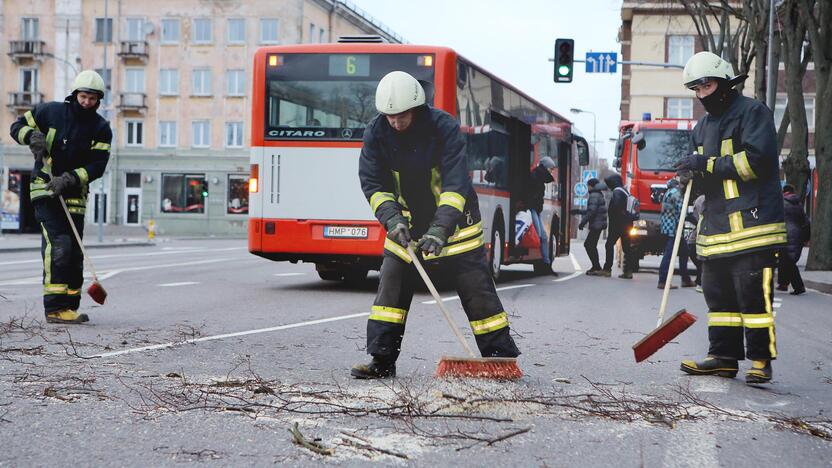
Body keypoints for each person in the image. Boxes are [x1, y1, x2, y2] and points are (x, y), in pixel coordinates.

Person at [352, 71, 520, 379]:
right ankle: (382, 360)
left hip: (458, 227)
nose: (394, 122)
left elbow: (455, 184)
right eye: (389, 116)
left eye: (400, 116)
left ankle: (501, 359)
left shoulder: (443, 128)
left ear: (415, 108)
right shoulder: (376, 133)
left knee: (478, 292)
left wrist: (441, 229)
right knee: (390, 292)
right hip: (406, 227)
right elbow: (373, 184)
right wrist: (392, 219)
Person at [674, 51, 786, 385]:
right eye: (695, 88)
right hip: (717, 231)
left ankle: (761, 361)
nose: (700, 94)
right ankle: (722, 357)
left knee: (752, 296)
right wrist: (687, 179)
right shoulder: (702, 127)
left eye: (705, 85)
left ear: (724, 84)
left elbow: (756, 163)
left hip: (755, 228)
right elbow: (705, 181)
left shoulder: (754, 113)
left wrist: (706, 165)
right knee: (717, 296)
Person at [9, 70, 112, 324]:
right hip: (44, 189)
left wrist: (68, 179)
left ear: (99, 100)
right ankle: (54, 308)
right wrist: (31, 136)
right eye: (83, 96)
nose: (87, 102)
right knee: (60, 245)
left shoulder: (101, 128)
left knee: (75, 253)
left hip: (74, 195)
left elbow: (97, 166)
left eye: (92, 98)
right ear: (75, 94)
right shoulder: (50, 112)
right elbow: (16, 126)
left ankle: (69, 306)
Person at [657, 178, 695, 289]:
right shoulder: (677, 194)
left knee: (684, 252)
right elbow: (682, 211)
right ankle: (662, 281)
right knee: (669, 255)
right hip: (674, 230)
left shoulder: (668, 193)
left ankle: (685, 279)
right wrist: (695, 220)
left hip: (667, 227)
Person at [523, 156, 556, 273]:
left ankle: (546, 263)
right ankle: (545, 263)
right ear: (546, 168)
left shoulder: (538, 176)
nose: (552, 172)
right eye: (551, 169)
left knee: (544, 236)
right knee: (541, 236)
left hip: (535, 209)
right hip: (532, 209)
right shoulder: (536, 177)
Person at [777, 184, 809, 295]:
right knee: (785, 259)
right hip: (797, 235)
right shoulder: (799, 204)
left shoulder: (782, 203)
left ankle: (799, 287)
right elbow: (806, 222)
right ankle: (783, 284)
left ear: (784, 192)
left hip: (786, 234)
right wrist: (806, 238)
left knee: (788, 261)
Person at [600, 174, 633, 279]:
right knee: (626, 248)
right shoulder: (625, 191)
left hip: (618, 224)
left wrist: (613, 219)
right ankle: (628, 271)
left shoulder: (617, 192)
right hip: (627, 224)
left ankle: (607, 269)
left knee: (609, 245)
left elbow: (617, 207)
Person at [579, 178, 607, 275]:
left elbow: (592, 211)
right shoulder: (598, 194)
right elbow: (592, 209)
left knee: (589, 244)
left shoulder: (594, 195)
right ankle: (596, 266)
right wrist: (579, 212)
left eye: (588, 185)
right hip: (598, 224)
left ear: (591, 186)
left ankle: (596, 267)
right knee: (591, 245)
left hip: (596, 225)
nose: (587, 187)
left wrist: (582, 223)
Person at [685, 193, 706, 292]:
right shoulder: (702, 200)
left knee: (700, 262)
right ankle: (700, 281)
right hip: (697, 238)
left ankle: (699, 281)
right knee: (701, 262)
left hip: (697, 238)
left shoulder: (701, 200)